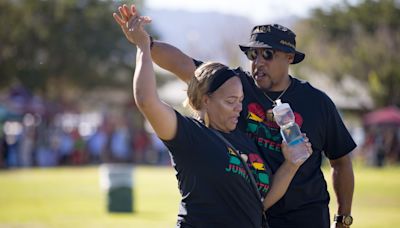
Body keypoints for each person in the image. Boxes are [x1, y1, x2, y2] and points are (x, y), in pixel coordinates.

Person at [116, 5, 357, 228]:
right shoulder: (233, 84)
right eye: (253, 54)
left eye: (268, 54)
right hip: (255, 214)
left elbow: (341, 162)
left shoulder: (317, 102)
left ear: (289, 57)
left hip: (305, 217)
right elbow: (182, 64)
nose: (258, 62)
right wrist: (144, 42)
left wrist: (343, 217)